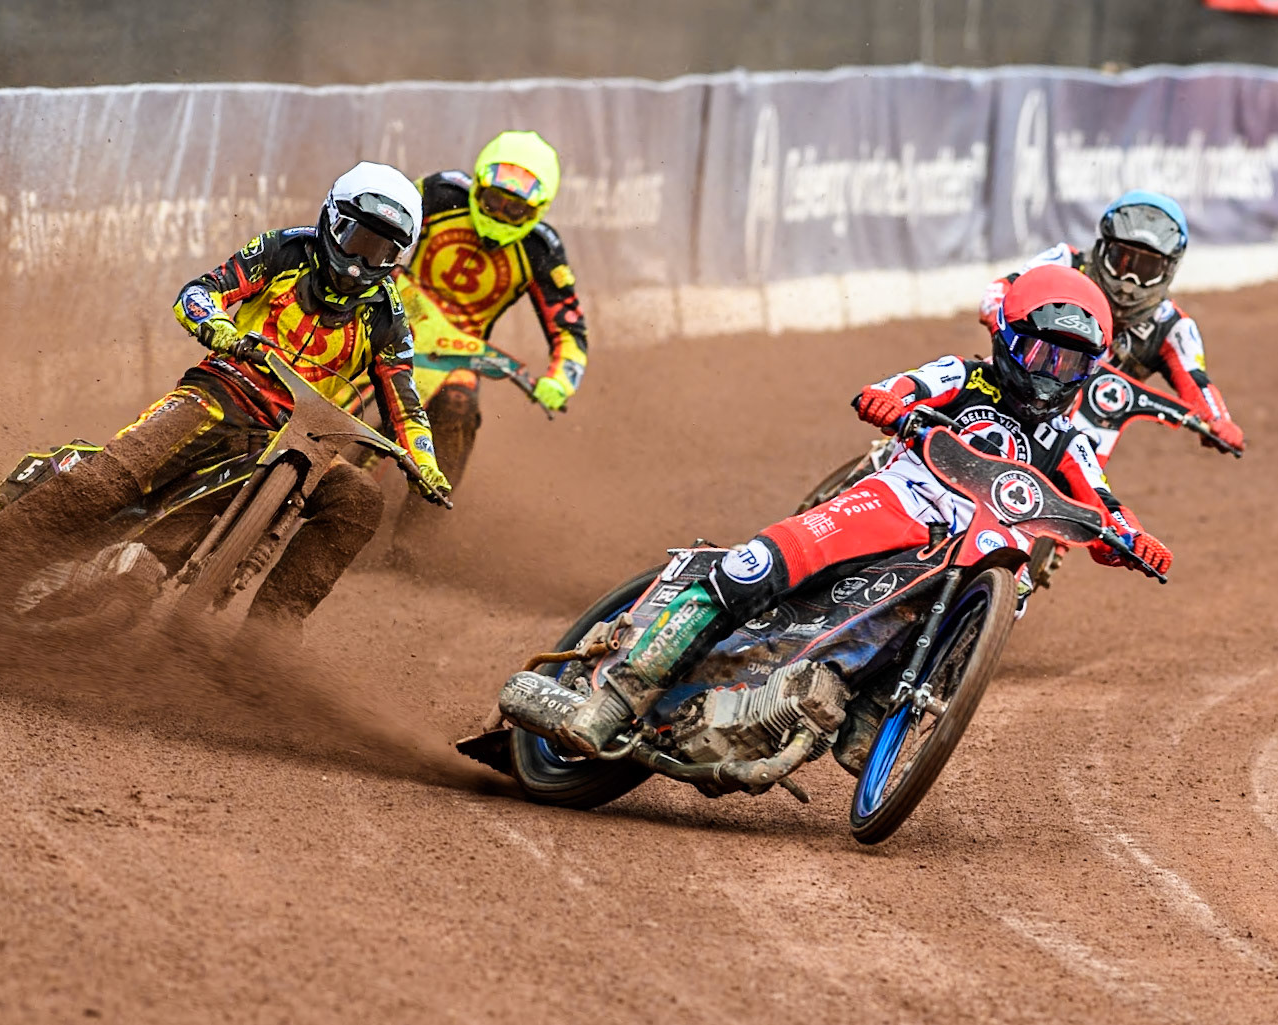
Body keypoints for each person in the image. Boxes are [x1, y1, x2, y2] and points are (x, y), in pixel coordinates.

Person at [543, 265, 1171, 757]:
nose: (1053, 375)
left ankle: (880, 707)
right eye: (1043, 355)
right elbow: (904, 387)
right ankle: (618, 695)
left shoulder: (1070, 441)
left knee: (1015, 588)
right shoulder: (964, 375)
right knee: (758, 566)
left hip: (970, 546)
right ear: (1008, 338)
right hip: (897, 500)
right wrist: (888, 402)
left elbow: (1105, 506)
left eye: (1072, 363)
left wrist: (1133, 541)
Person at [0, 161, 450, 634]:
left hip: (302, 438)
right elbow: (200, 291)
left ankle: (271, 634)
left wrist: (423, 461)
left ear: (398, 256)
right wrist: (215, 324)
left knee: (360, 499)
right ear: (333, 219)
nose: (362, 258)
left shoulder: (389, 317)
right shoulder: (286, 248)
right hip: (222, 391)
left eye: (381, 248)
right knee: (109, 481)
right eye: (359, 237)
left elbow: (404, 397)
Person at [386, 130, 588, 557]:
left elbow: (571, 332)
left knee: (459, 406)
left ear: (537, 211)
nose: (500, 213)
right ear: (477, 184)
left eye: (515, 208)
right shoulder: (440, 194)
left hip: (457, 352)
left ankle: (415, 533)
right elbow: (383, 224)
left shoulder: (541, 250)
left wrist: (560, 381)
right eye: (493, 200)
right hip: (389, 314)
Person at [980, 189, 1245, 453]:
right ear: (1103, 248)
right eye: (1123, 261)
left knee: (1084, 486)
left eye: (1147, 270)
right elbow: (998, 293)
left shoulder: (1173, 326)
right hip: (1017, 389)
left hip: (1080, 434)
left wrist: (1218, 420)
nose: (1129, 282)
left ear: (1169, 269)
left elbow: (1196, 380)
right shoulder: (1065, 263)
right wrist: (1004, 329)